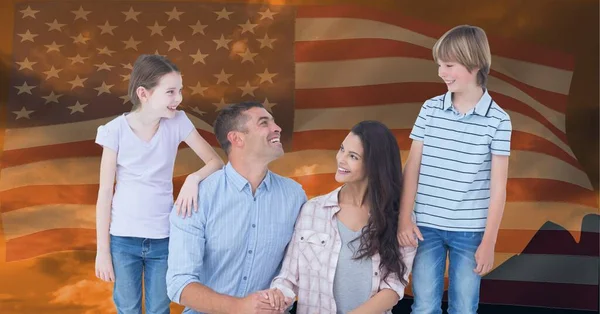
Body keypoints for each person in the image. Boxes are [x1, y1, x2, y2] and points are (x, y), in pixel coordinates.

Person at [94, 54, 224, 313]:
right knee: (128, 308)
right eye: (171, 92)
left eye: (180, 91)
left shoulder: (178, 122)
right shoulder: (114, 131)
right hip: (122, 239)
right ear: (144, 93)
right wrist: (103, 251)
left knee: (159, 308)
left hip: (165, 238)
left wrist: (193, 178)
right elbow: (105, 193)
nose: (179, 98)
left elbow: (215, 161)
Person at [396, 25, 512, 314]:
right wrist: (403, 218)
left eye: (449, 65)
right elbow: (412, 168)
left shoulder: (499, 121)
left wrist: (488, 242)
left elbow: (498, 189)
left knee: (464, 309)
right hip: (425, 229)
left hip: (471, 233)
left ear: (474, 64)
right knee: (423, 307)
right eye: (439, 65)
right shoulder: (430, 109)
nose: (441, 72)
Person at [166, 101, 308, 314]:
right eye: (264, 122)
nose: (277, 128)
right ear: (237, 138)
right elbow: (179, 283)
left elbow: (299, 266)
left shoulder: (294, 196)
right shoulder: (198, 198)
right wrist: (240, 307)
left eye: (274, 121)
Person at [267, 120, 417, 314]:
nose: (341, 159)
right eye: (342, 149)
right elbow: (288, 277)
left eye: (353, 156)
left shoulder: (401, 219)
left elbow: (394, 287)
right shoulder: (313, 210)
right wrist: (277, 296)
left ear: (374, 165)